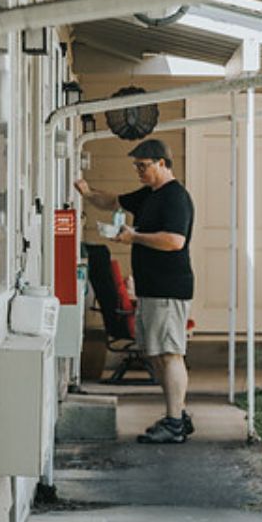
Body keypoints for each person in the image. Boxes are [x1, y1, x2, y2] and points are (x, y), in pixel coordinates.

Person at [75, 138, 195, 444]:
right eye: (136, 166)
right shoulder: (150, 195)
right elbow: (113, 201)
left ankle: (175, 424)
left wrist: (135, 237)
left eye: (143, 166)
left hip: (169, 289)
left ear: (162, 164)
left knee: (169, 354)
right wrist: (87, 193)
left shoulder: (175, 197)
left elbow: (174, 241)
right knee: (155, 354)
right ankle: (178, 414)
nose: (138, 172)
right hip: (151, 289)